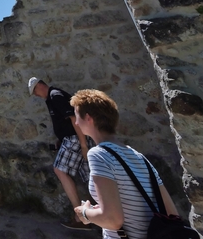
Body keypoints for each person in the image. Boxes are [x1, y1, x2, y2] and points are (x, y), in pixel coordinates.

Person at [71, 89, 182, 238]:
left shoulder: (98, 154)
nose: (76, 122)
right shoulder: (140, 157)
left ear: (89, 118)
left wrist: (84, 213)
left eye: (77, 116)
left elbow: (112, 220)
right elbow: (171, 213)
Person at [29, 77, 94, 231]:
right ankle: (106, 214)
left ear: (40, 85)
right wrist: (61, 139)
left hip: (75, 139)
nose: (36, 95)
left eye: (35, 91)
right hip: (72, 139)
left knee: (59, 170)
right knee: (91, 178)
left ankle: (81, 217)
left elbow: (73, 119)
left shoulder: (55, 95)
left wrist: (83, 144)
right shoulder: (52, 98)